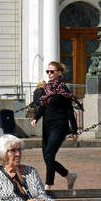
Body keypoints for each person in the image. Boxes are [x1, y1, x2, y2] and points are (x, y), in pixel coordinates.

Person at [30, 61, 78, 190]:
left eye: (52, 71)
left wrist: (74, 130)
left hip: (60, 125)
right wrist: (36, 118)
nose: (49, 74)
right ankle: (68, 176)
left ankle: (48, 186)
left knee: (49, 155)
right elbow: (43, 107)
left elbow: (69, 111)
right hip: (47, 126)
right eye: (48, 72)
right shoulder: (47, 89)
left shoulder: (63, 89)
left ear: (59, 73)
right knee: (47, 156)